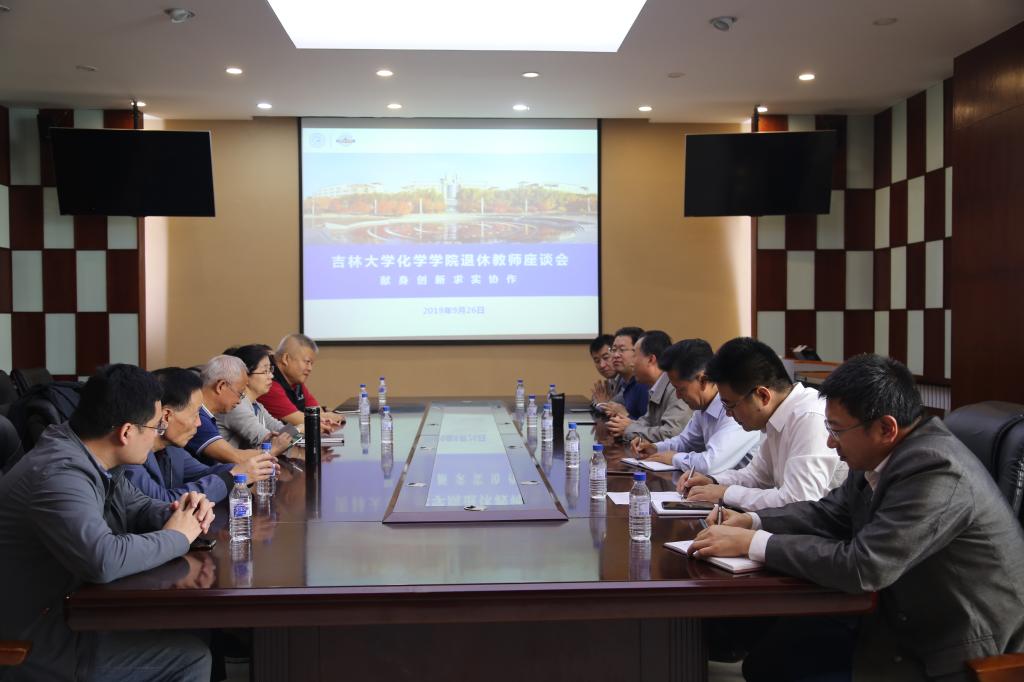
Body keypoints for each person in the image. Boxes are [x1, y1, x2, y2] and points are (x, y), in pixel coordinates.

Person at [688, 354, 1024, 681]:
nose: (830, 442)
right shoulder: (881, 454)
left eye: (836, 430)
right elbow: (830, 512)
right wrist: (754, 522)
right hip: (893, 614)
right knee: (768, 660)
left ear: (886, 428)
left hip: (951, 648)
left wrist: (755, 543)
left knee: (777, 667)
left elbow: (864, 566)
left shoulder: (936, 470)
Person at [0, 364, 214, 681]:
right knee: (191, 659)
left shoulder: (88, 453)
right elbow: (103, 559)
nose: (158, 435)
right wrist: (178, 537)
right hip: (38, 640)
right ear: (126, 432)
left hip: (72, 612)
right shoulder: (59, 474)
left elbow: (137, 507)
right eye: (156, 427)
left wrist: (182, 511)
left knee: (192, 628)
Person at [679, 337, 846, 511]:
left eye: (730, 405)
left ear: (763, 396)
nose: (728, 413)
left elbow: (799, 500)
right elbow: (756, 476)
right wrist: (713, 481)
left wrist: (726, 493)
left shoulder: (809, 417)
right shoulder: (776, 416)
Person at [123, 367, 278, 503]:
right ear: (166, 416)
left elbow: (204, 473)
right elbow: (162, 501)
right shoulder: (130, 454)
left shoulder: (172, 449)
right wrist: (233, 476)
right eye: (195, 414)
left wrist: (251, 469)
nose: (199, 423)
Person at [630, 339, 761, 474]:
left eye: (681, 389)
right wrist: (655, 448)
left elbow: (710, 464)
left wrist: (674, 458)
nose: (678, 396)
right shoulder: (703, 407)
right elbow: (685, 442)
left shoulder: (735, 409)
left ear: (703, 380)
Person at [185, 355, 291, 465]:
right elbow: (236, 457)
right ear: (221, 386)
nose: (240, 401)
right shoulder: (198, 418)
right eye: (240, 393)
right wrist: (273, 449)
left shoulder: (205, 415)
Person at [607, 330, 692, 441]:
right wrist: (622, 425)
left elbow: (671, 434)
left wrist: (629, 429)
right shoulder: (655, 385)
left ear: (651, 359)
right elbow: (646, 422)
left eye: (635, 356)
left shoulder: (675, 388)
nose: (632, 363)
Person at [218, 344, 300, 449]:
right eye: (265, 371)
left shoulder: (256, 405)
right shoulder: (236, 406)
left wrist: (298, 433)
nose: (271, 376)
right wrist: (300, 429)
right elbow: (269, 443)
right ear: (244, 375)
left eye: (270, 370)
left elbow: (281, 430)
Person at [258, 333, 341, 434]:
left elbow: (317, 412)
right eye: (307, 362)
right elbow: (309, 422)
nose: (310, 368)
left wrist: (327, 417)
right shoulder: (268, 381)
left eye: (311, 363)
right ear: (286, 359)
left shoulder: (295, 380)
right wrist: (326, 419)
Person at [599, 326, 648, 419]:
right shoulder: (624, 381)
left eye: (622, 350)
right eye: (614, 350)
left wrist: (626, 416)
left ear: (638, 351)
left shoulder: (643, 384)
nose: (616, 355)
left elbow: (649, 424)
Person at [588, 334, 620, 407]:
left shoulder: (626, 380)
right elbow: (596, 400)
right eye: (597, 361)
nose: (602, 365)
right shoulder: (610, 381)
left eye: (606, 358)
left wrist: (603, 404)